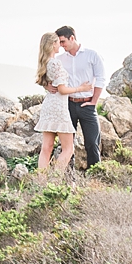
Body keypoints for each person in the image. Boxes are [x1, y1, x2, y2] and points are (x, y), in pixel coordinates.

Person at [33, 31, 92, 174]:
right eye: (58, 42)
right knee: (68, 149)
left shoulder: (44, 62)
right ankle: (55, 178)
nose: (60, 44)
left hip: (48, 106)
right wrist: (81, 88)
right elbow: (62, 89)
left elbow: (42, 81)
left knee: (46, 148)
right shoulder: (55, 63)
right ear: (53, 44)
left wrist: (47, 85)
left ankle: (41, 181)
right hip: (59, 107)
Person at [54, 25, 106, 168]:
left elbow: (101, 78)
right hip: (68, 104)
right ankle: (69, 178)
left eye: (63, 41)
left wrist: (94, 101)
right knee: (67, 144)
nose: (61, 45)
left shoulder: (92, 55)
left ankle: (95, 176)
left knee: (92, 142)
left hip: (87, 104)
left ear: (72, 38)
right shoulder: (59, 59)